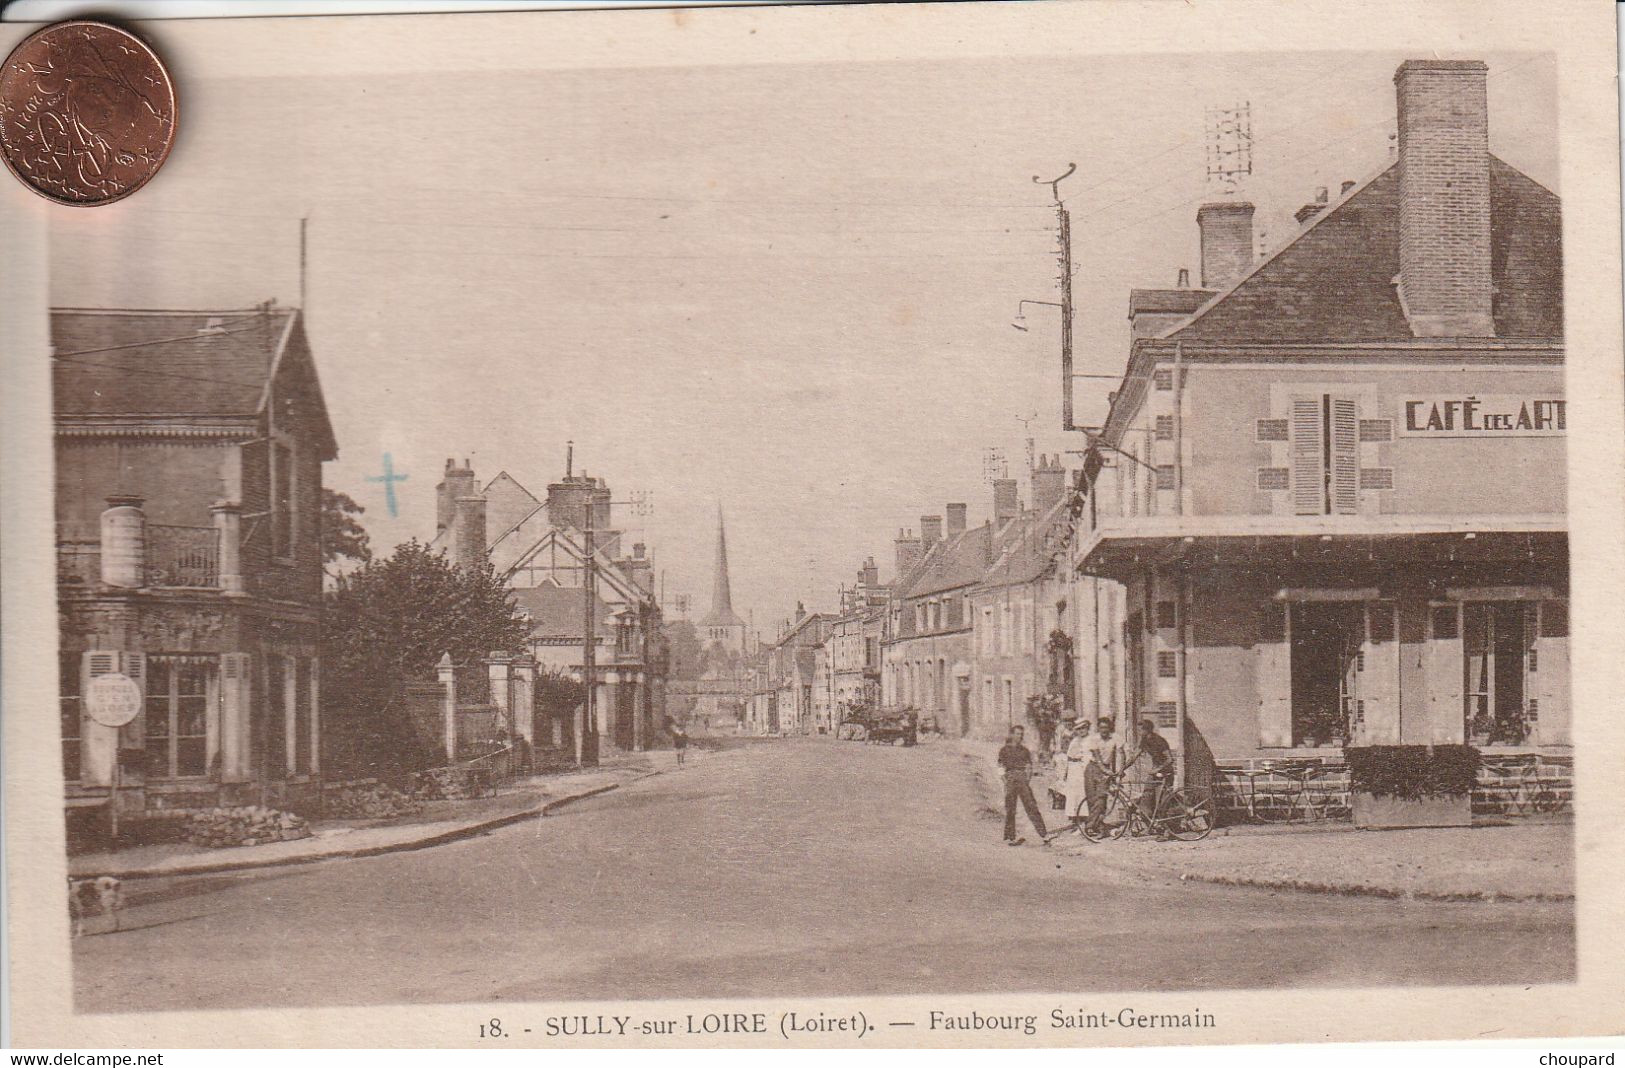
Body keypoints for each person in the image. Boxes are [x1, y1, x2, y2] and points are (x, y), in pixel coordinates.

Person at [997, 725, 1053, 846]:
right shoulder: (1004, 750)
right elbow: (1000, 766)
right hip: (1010, 778)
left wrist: (1027, 779)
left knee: (1031, 806)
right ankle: (1010, 837)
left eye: (1021, 734)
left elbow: (1029, 766)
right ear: (1011, 735)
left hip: (1022, 778)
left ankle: (1044, 835)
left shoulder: (1024, 750)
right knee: (1010, 809)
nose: (1020, 736)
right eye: (1017, 734)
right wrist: (1004, 780)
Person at [1132, 717, 1176, 835]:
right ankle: (1151, 825)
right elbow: (1134, 756)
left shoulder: (1159, 741)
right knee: (1146, 797)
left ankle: (1166, 829)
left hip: (1165, 772)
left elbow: (1170, 759)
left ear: (1148, 730)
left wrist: (1157, 768)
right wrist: (1122, 770)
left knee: (1161, 802)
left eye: (1141, 730)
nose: (1139, 733)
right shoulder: (1144, 740)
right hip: (1155, 773)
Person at [1084, 717, 1120, 835]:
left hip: (1105, 769)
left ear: (1110, 728)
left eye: (1106, 727)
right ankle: (1097, 826)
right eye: (1101, 727)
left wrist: (1114, 773)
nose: (1104, 730)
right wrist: (1106, 770)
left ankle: (1090, 826)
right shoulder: (1094, 739)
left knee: (1101, 799)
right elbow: (1098, 758)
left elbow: (1114, 758)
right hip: (1093, 768)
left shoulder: (1113, 739)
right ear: (1098, 728)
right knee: (1092, 799)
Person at [1061, 716, 1097, 832]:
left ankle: (1085, 822)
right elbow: (1069, 756)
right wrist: (1065, 773)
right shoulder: (1075, 740)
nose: (1081, 731)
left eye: (1083, 728)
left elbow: (1091, 756)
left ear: (1087, 728)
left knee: (1083, 796)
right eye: (1079, 729)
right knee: (1073, 796)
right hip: (1073, 771)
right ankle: (1075, 821)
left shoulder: (1091, 740)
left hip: (1084, 771)